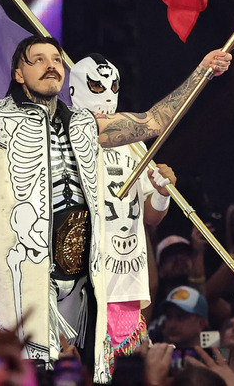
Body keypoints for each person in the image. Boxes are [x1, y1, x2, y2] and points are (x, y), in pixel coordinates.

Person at [0, 19, 234, 382]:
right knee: (35, 373)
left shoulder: (86, 124)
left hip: (88, 275)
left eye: (56, 60)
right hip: (29, 272)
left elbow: (154, 121)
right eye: (38, 60)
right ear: (18, 73)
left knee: (94, 373)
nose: (51, 65)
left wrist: (202, 73)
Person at [68, 53, 175, 358]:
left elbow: (151, 218)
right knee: (71, 367)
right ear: (74, 89)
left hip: (123, 272)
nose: (106, 96)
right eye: (96, 87)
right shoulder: (60, 138)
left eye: (113, 87)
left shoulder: (132, 143)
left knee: (119, 370)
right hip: (74, 274)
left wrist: (161, 193)